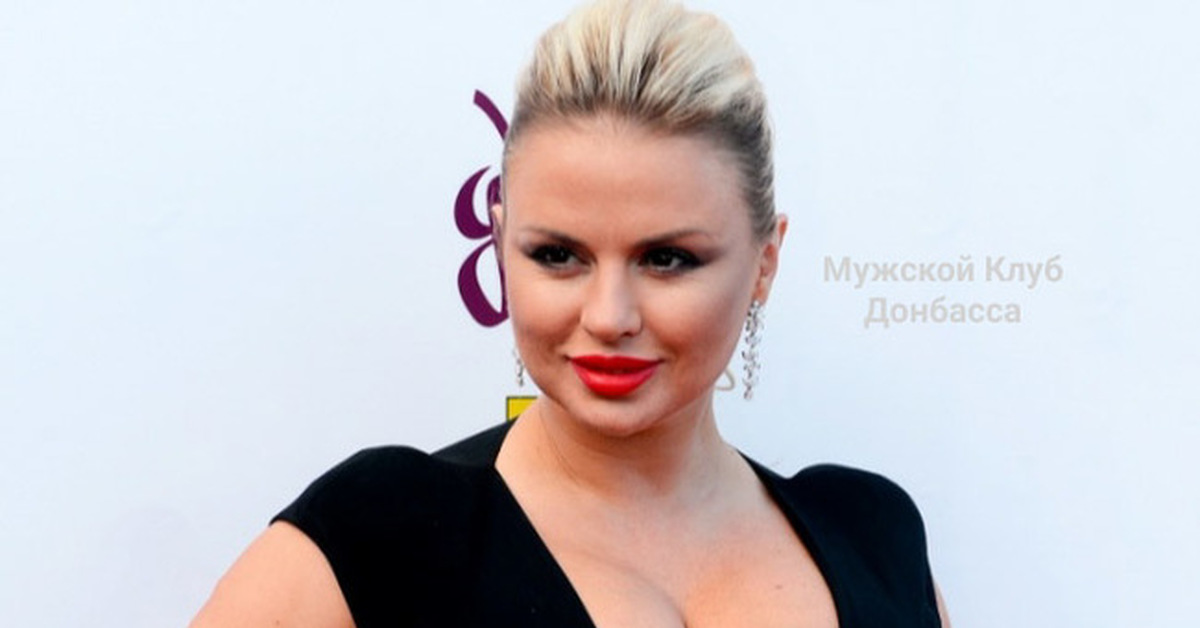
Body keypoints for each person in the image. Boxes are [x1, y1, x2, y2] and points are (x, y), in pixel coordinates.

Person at [191, 0, 951, 626]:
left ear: (765, 263)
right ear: (499, 246)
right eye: (558, 255)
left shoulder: (873, 536)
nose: (609, 316)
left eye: (667, 259)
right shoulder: (382, 536)